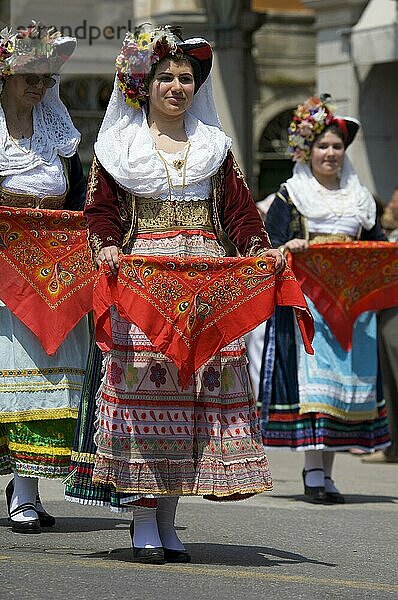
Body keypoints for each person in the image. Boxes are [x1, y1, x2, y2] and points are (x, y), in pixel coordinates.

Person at [67, 24, 285, 564]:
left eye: (186, 78)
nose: (176, 86)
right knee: (146, 395)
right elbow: (99, 213)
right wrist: (106, 247)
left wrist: (262, 249)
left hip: (205, 283)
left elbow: (238, 212)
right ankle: (143, 513)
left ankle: (168, 516)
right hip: (145, 282)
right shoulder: (119, 146)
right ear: (146, 84)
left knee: (195, 398)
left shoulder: (215, 146)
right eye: (166, 76)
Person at [261, 94, 390, 503]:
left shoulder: (360, 198)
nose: (331, 153)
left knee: (344, 391)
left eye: (337, 146)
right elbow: (269, 244)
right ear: (308, 151)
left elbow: (379, 248)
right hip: (309, 306)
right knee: (314, 387)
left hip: (353, 310)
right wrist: (293, 246)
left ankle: (328, 475)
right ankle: (313, 474)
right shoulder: (292, 195)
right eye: (323, 146)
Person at [0, 23, 88, 533]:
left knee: (42, 383)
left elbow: (80, 201)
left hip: (50, 275)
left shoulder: (59, 139)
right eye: (29, 74)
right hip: (2, 277)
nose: (38, 84)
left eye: (45, 75)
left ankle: (26, 491)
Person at [361, 187, 398, 464]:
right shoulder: (388, 234)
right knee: (388, 378)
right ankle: (392, 446)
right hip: (387, 307)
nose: (393, 201)